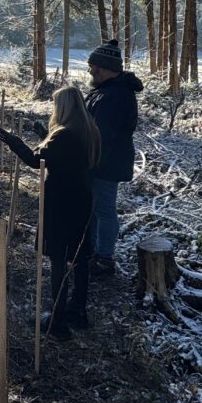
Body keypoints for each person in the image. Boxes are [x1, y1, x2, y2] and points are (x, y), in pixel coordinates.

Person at [0, 86, 101, 341]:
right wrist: (44, 134)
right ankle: (78, 312)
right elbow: (64, 156)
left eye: (56, 105)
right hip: (83, 199)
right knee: (78, 256)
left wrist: (14, 141)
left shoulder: (64, 135)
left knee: (58, 257)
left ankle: (57, 319)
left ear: (63, 107)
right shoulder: (88, 130)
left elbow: (37, 160)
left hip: (61, 202)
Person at [84, 39, 144, 276]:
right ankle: (93, 251)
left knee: (104, 209)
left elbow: (103, 134)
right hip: (100, 160)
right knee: (95, 209)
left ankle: (104, 258)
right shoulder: (106, 92)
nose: (90, 70)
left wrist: (91, 161)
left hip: (105, 163)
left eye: (93, 66)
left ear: (104, 67)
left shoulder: (116, 95)